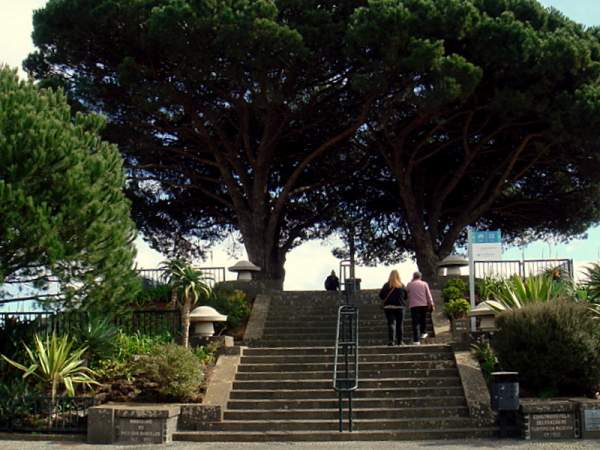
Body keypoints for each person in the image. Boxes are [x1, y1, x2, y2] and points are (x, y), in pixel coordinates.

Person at [379, 270, 407, 346]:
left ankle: (391, 341)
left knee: (391, 323)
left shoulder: (386, 285)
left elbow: (381, 295)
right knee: (400, 324)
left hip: (389, 307)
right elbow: (405, 296)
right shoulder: (402, 285)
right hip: (400, 307)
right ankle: (400, 341)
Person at [406, 271, 435, 345]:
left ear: (413, 277)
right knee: (423, 319)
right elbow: (428, 295)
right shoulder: (424, 284)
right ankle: (423, 332)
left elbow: (406, 293)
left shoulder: (409, 284)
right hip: (423, 304)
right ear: (420, 277)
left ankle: (416, 340)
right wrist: (431, 303)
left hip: (414, 305)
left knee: (415, 322)